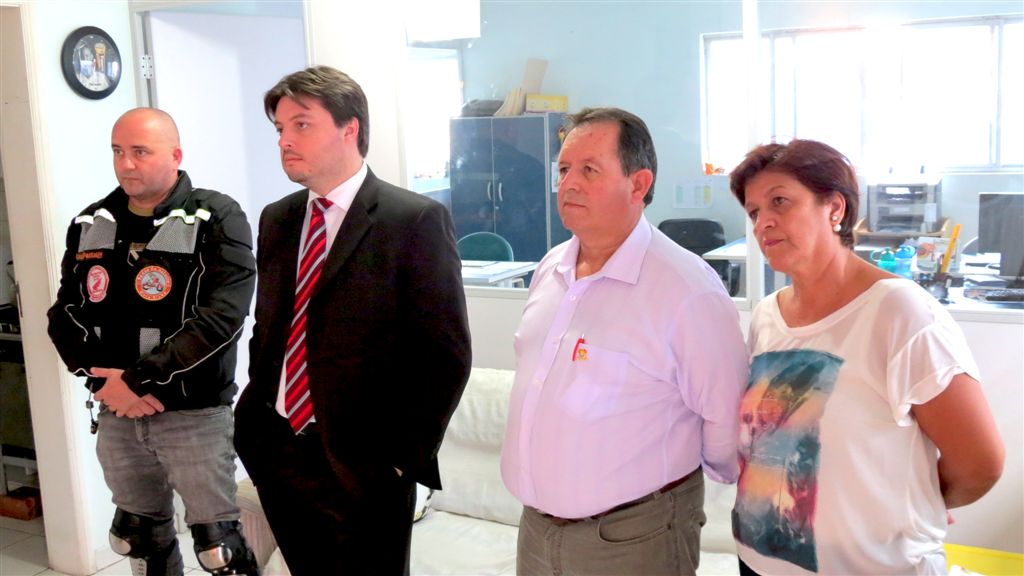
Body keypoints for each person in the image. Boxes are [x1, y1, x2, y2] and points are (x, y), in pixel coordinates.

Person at [233, 66, 471, 575]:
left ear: (350, 129)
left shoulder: (412, 220)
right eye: (280, 129)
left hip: (366, 465)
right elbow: (270, 330)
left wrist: (403, 457)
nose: (285, 141)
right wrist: (256, 424)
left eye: (301, 125)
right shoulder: (278, 218)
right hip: (279, 449)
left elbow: (445, 354)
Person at [728, 139, 1005, 575]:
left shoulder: (899, 313)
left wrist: (921, 499)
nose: (764, 222)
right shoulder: (766, 316)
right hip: (759, 564)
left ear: (834, 208)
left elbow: (980, 463)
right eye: (754, 211)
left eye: (780, 201)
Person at [501, 107, 748, 575]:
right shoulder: (551, 268)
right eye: (564, 169)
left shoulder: (685, 288)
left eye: (589, 170)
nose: (569, 184)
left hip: (633, 536)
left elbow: (726, 416)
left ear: (638, 185)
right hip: (536, 530)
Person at [47, 108, 259, 576]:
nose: (126, 164)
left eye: (140, 152)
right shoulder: (91, 222)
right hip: (117, 412)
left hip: (193, 414)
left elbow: (222, 317)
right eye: (118, 152)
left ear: (175, 155)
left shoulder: (214, 216)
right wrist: (103, 382)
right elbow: (64, 314)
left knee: (219, 549)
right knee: (137, 538)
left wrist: (139, 379)